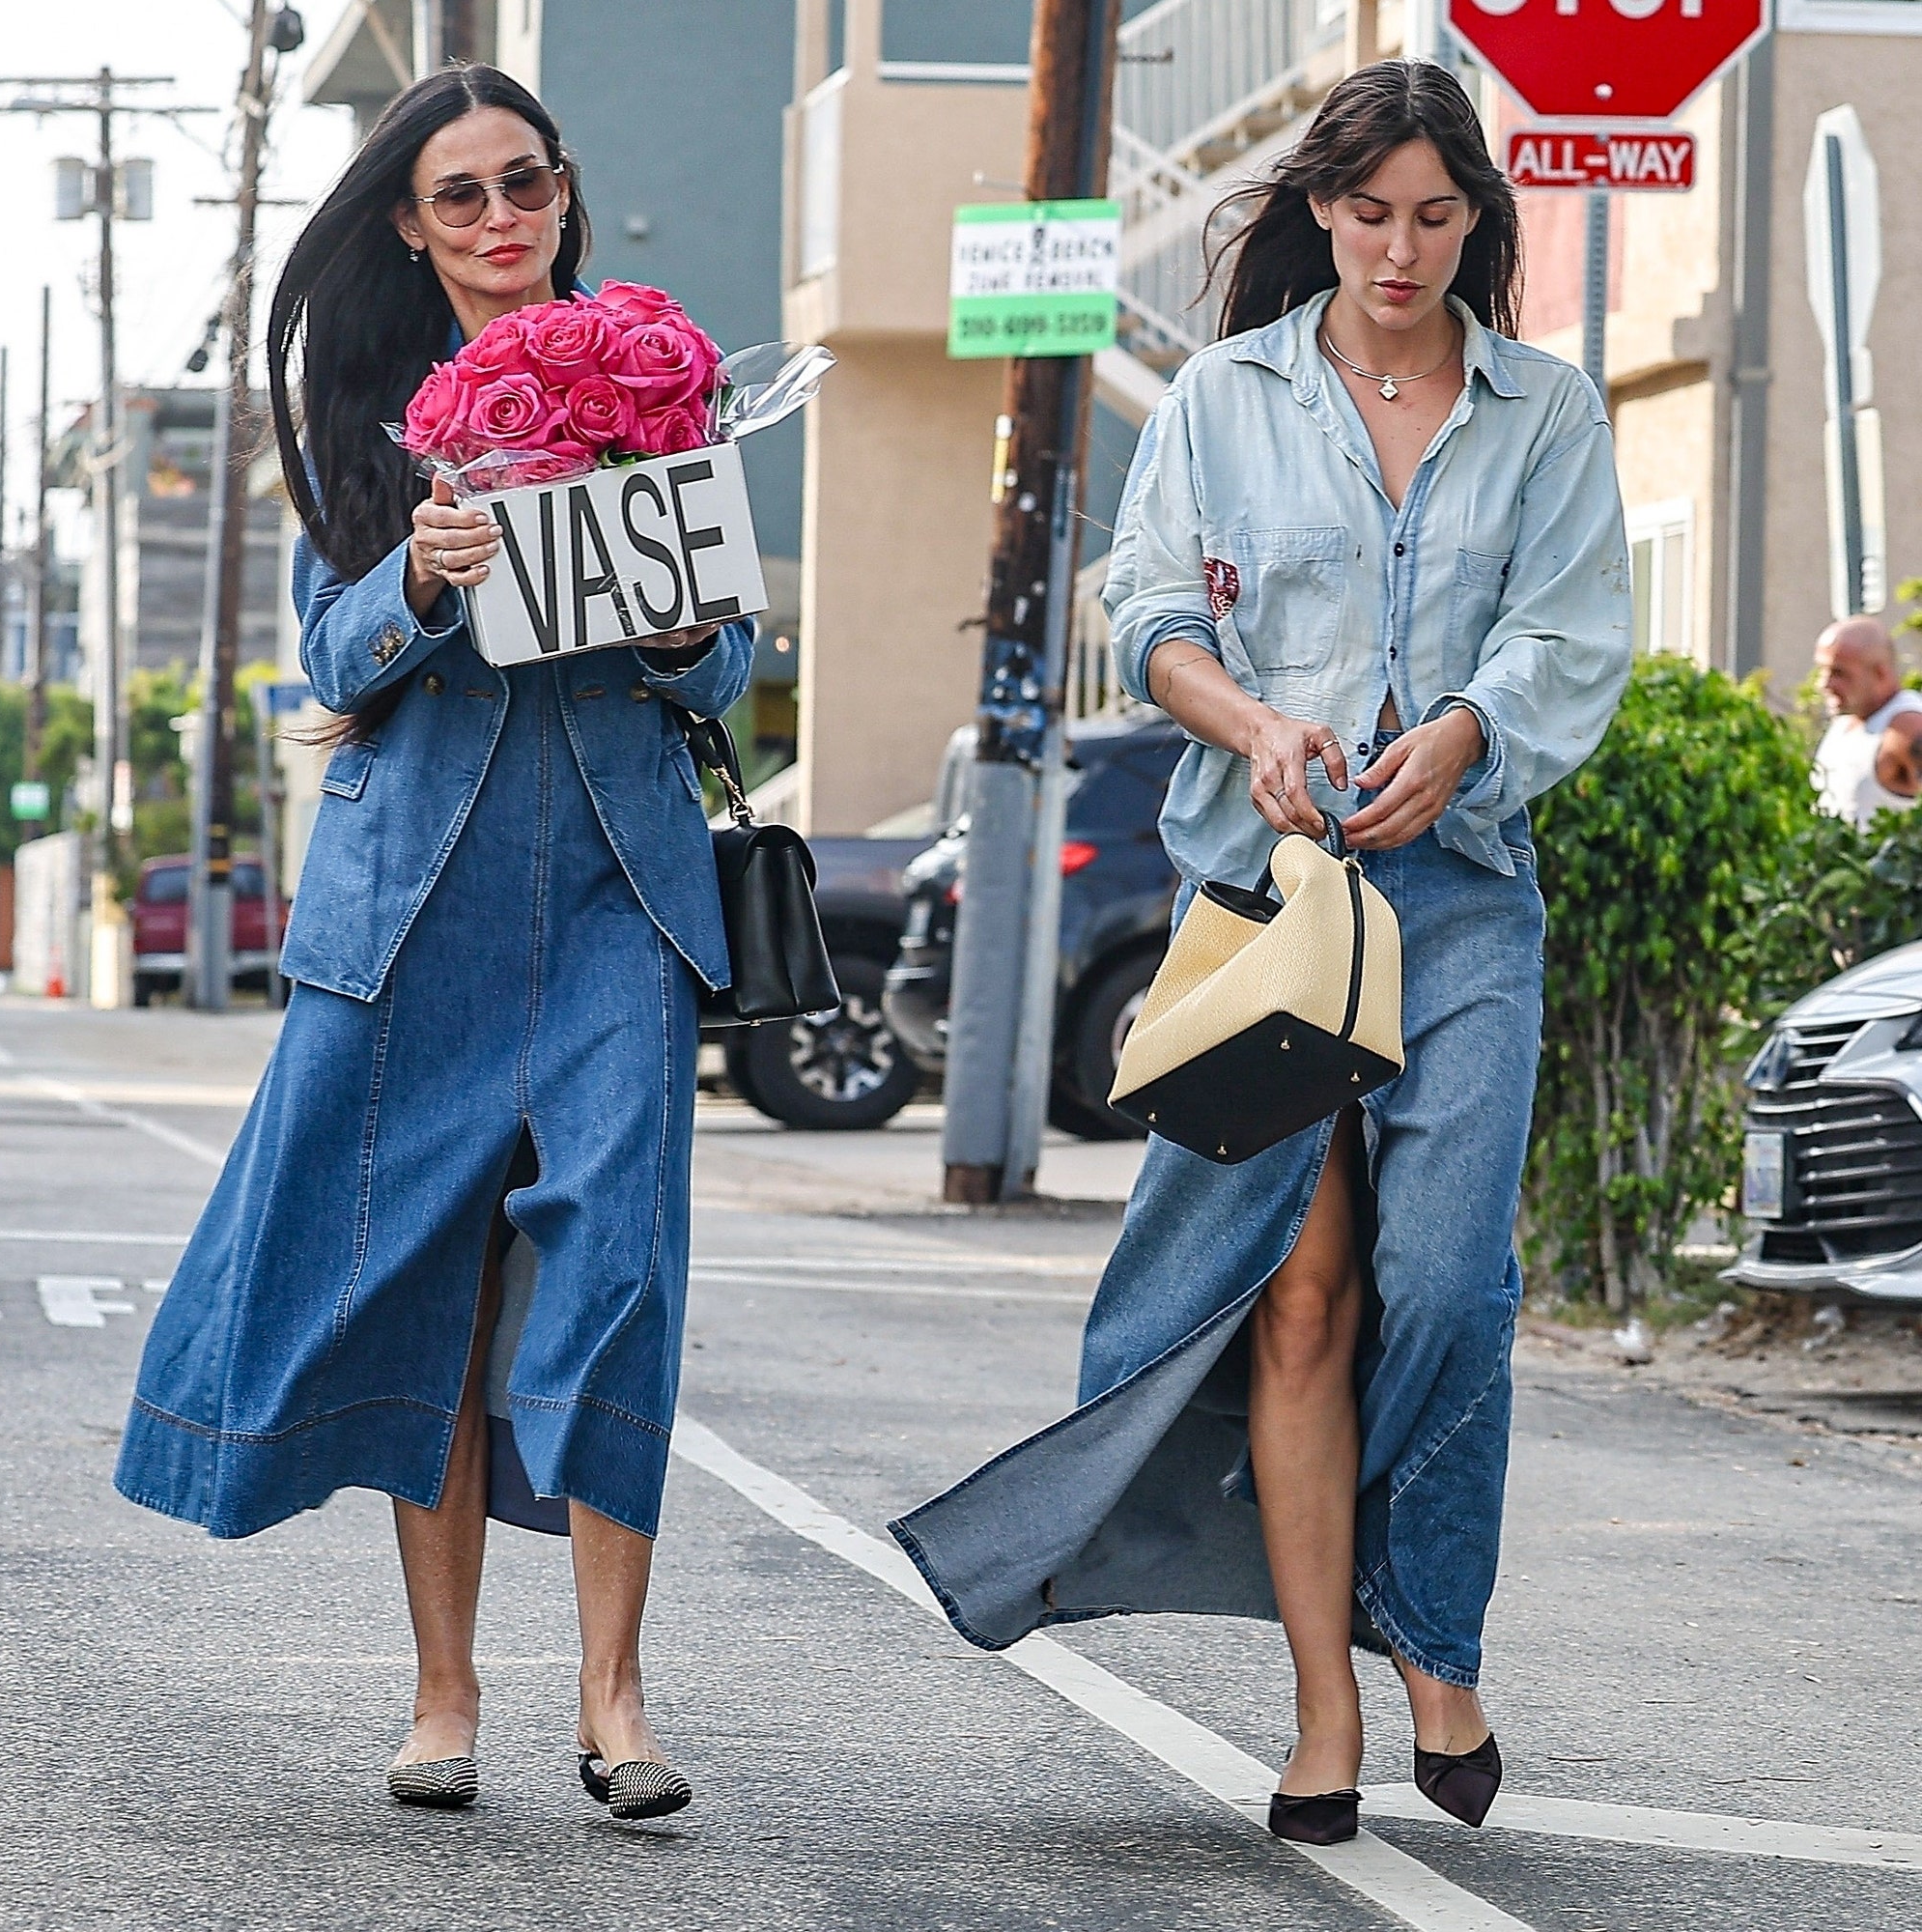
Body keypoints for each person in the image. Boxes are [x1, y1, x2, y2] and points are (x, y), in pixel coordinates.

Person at [890, 60, 1631, 1846]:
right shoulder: (1223, 395)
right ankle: (1326, 1715)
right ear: (1320, 209)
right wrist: (1258, 732)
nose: (1400, 248)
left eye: (1436, 217)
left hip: (1455, 892)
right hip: (1268, 910)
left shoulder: (1546, 410)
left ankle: (1426, 1627)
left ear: (1477, 221)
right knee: (1297, 1301)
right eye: (1369, 213)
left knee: (1447, 1280)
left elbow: (1570, 631)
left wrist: (1457, 737)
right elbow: (1148, 615)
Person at [113, 65, 753, 1823]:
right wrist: (418, 573)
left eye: (523, 183)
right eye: (458, 195)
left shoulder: (661, 380)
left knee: (616, 1271)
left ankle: (616, 1702)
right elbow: (326, 661)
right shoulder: (369, 415)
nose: (497, 219)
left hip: (625, 883)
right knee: (445, 1291)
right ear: (408, 220)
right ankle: (444, 1692)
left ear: (564, 191)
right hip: (421, 901)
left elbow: (728, 669)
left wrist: (693, 625)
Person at [1810, 616, 1922, 829]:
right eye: (1822, 670)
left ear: (1880, 673)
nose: (1824, 684)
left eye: (1839, 673)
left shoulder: (1907, 727)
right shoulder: (1844, 724)